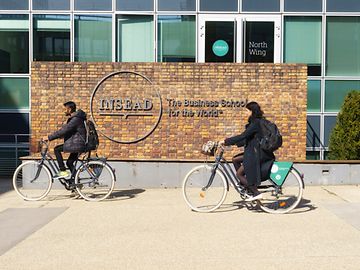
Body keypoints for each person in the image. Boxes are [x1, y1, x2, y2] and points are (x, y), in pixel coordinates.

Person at [219, 101, 275, 201]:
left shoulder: (256, 123)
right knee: (235, 159)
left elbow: (243, 136)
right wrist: (233, 143)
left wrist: (226, 141)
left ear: (251, 111)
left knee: (239, 174)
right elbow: (247, 138)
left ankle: (256, 192)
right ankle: (245, 185)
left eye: (247, 111)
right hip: (253, 151)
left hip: (257, 154)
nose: (245, 113)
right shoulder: (253, 122)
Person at [43, 101, 87, 179]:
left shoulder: (75, 119)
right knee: (69, 163)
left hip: (77, 144)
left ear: (69, 109)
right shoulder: (76, 118)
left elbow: (64, 130)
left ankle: (62, 171)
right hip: (78, 143)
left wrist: (49, 137)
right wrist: (61, 136)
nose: (64, 111)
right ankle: (76, 182)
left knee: (56, 149)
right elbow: (70, 131)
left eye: (65, 109)